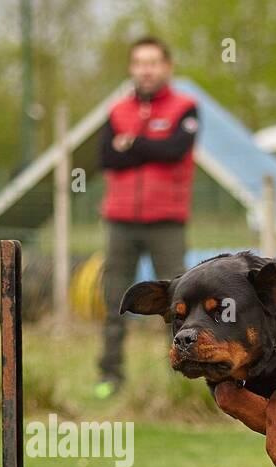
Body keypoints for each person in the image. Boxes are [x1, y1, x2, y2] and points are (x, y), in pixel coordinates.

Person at [95, 36, 198, 398]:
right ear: (131, 68)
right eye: (140, 62)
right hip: (120, 220)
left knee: (178, 302)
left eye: (153, 62)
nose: (147, 69)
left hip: (166, 221)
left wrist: (133, 144)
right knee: (113, 300)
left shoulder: (185, 108)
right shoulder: (116, 110)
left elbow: (174, 151)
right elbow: (107, 157)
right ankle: (110, 376)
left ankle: (179, 379)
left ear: (167, 67)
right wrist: (144, 147)